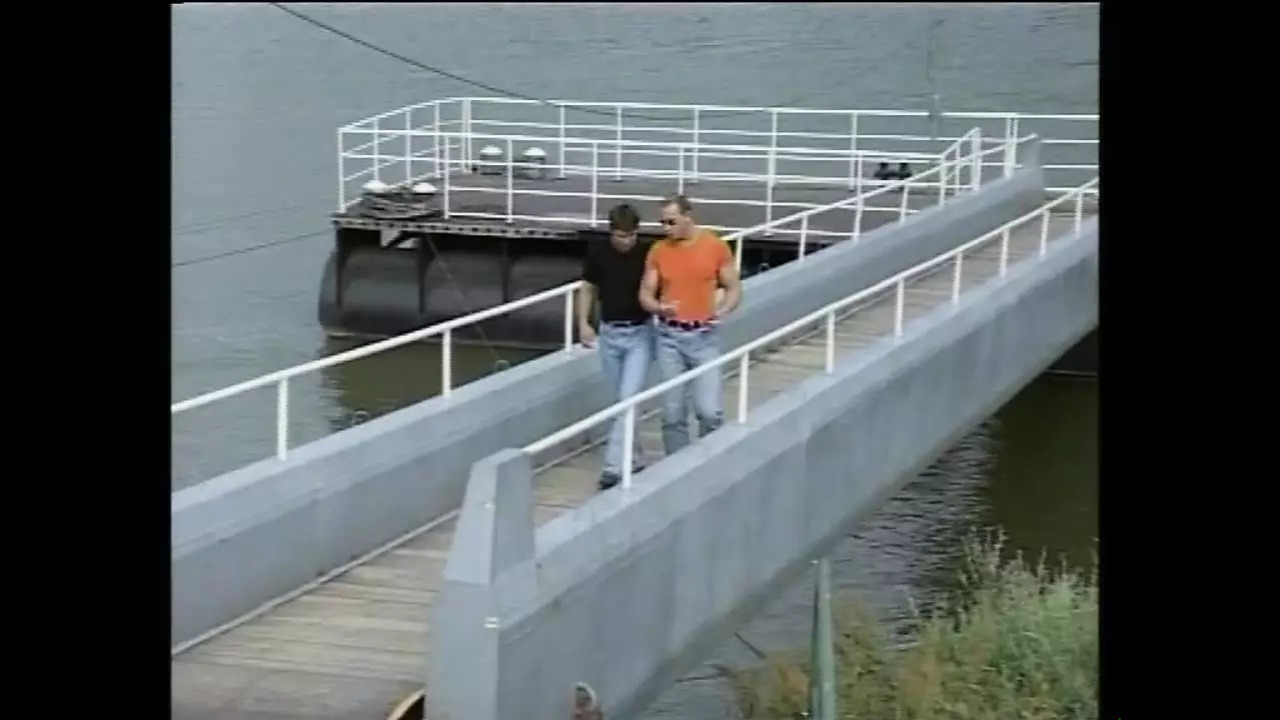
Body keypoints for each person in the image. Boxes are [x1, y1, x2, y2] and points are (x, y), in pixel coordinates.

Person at [638, 194, 742, 456]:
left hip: (704, 337)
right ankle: (676, 463)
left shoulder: (715, 246)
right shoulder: (658, 251)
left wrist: (722, 310)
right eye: (662, 223)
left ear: (687, 216)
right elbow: (646, 293)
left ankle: (709, 461)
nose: (666, 228)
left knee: (709, 411)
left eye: (671, 222)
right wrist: (659, 308)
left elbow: (733, 288)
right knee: (672, 413)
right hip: (669, 338)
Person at [578, 203, 654, 491]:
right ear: (611, 232)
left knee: (627, 399)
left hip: (640, 334)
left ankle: (612, 467)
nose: (627, 241)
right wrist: (583, 323)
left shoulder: (647, 253)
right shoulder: (598, 253)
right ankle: (635, 457)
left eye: (631, 235)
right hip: (609, 334)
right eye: (621, 236)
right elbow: (588, 288)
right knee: (618, 402)